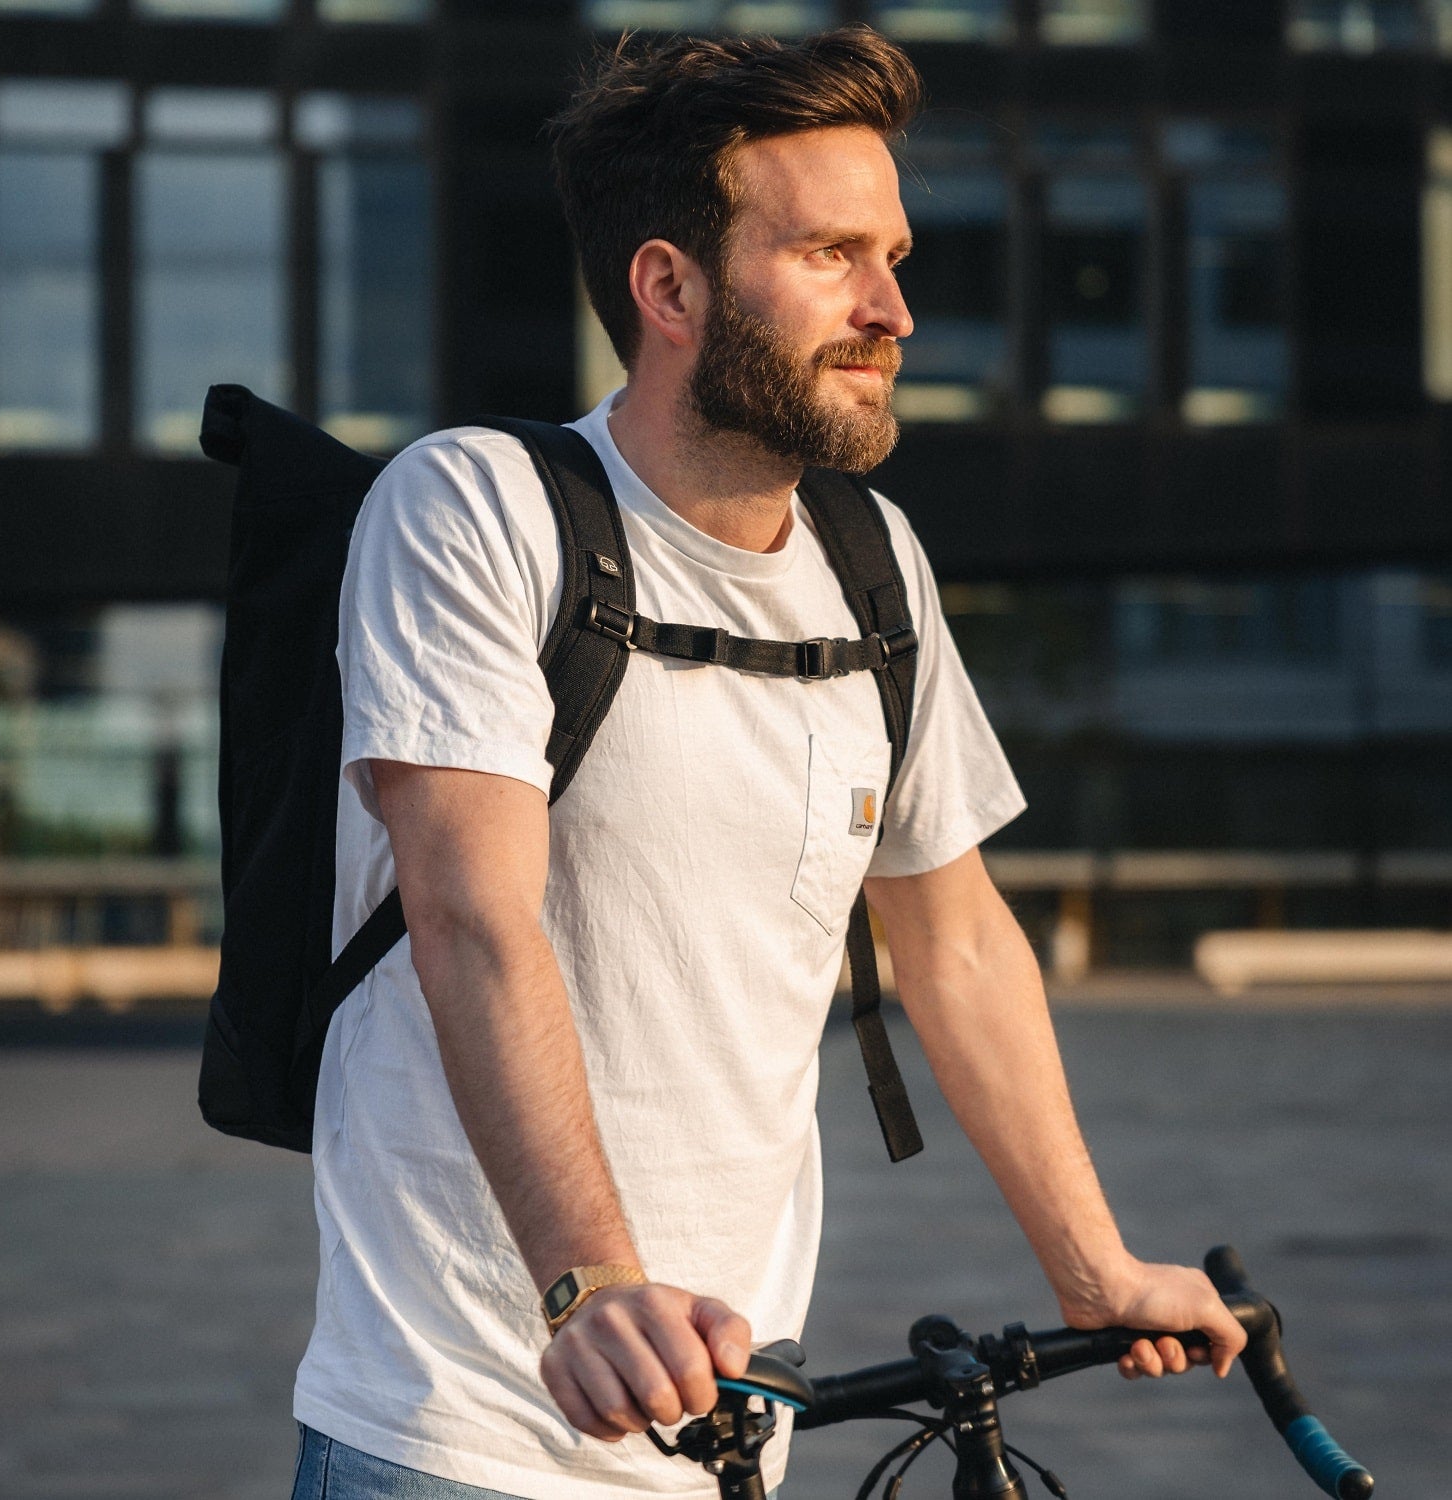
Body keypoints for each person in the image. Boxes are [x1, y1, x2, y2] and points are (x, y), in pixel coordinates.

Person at [289, 26, 1247, 1500]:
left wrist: (1094, 1266)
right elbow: (471, 917)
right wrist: (590, 1285)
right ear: (669, 288)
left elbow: (956, 940)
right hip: (461, 1422)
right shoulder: (474, 508)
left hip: (733, 1421)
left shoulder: (873, 561)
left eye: (894, 258)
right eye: (830, 256)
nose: (893, 310)